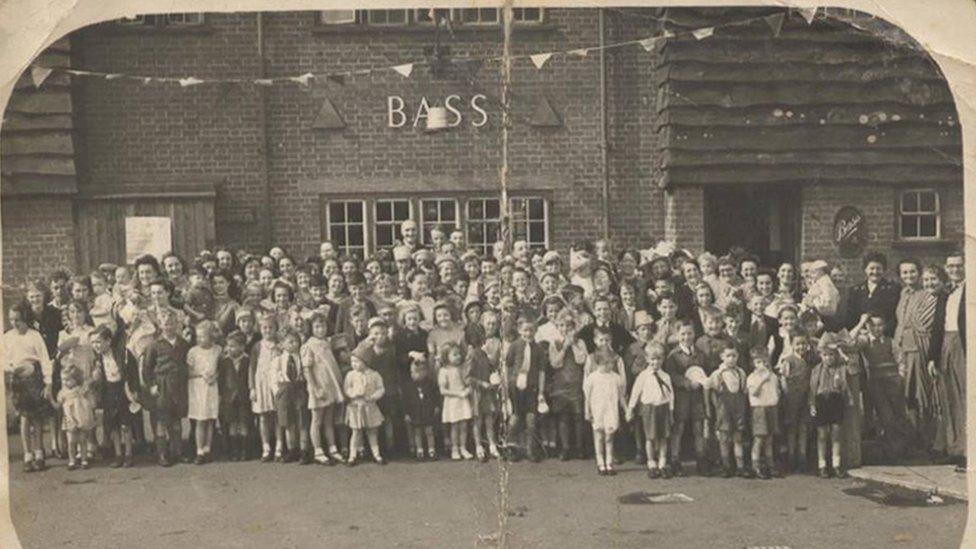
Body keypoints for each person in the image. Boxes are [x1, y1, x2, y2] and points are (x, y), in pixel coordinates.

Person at [2, 303, 55, 472]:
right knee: (24, 417)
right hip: (18, 378)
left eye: (18, 320)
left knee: (37, 417)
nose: (14, 323)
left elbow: (44, 359)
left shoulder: (35, 336)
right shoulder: (7, 337)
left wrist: (48, 382)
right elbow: (3, 359)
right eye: (11, 320)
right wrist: (12, 367)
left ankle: (39, 453)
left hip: (35, 378)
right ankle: (28, 454)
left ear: (26, 319)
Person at [142, 308, 191, 467]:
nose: (169, 326)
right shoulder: (154, 345)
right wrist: (152, 385)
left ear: (177, 324)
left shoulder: (183, 344)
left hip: (178, 386)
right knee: (161, 421)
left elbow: (187, 364)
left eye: (172, 323)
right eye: (165, 323)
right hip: (162, 386)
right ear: (160, 325)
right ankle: (162, 454)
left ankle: (177, 452)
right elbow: (147, 369)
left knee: (176, 420)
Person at [91, 325, 139, 468]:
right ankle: (118, 454)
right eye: (93, 342)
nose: (96, 345)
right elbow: (98, 380)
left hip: (123, 390)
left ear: (108, 341)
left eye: (98, 342)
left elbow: (134, 372)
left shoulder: (122, 354)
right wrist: (96, 377)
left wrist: (134, 390)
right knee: (114, 425)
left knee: (126, 425)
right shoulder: (98, 359)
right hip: (109, 393)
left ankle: (128, 454)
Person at [664, 321, 708, 475]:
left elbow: (704, 372)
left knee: (698, 427)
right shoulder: (673, 355)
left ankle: (701, 460)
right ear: (677, 336)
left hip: (697, 397)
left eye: (689, 333)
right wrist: (687, 383)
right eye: (683, 334)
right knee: (679, 427)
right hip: (681, 396)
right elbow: (672, 375)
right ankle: (675, 460)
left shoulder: (701, 354)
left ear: (694, 334)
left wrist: (702, 382)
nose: (686, 337)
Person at [302, 312, 345, 465]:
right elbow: (307, 370)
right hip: (318, 388)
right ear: (311, 328)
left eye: (323, 326)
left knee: (329, 420)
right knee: (317, 420)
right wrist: (315, 388)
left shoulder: (327, 343)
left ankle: (333, 449)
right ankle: (318, 450)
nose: (321, 329)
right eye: (317, 327)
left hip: (330, 386)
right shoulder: (308, 346)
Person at [626, 342, 674, 478]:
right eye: (652, 359)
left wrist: (671, 411)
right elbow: (635, 393)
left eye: (658, 359)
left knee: (664, 437)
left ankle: (662, 463)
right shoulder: (643, 376)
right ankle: (651, 462)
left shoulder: (665, 376)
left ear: (663, 359)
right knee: (650, 437)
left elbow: (671, 396)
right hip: (649, 409)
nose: (655, 362)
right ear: (647, 359)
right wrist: (630, 409)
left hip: (663, 408)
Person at [936, 252, 966, 471]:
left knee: (966, 399)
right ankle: (955, 448)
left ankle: (969, 451)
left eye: (959, 266)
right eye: (951, 266)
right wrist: (932, 357)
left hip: (963, 345)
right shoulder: (945, 291)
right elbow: (938, 326)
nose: (955, 269)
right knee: (950, 398)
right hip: (945, 343)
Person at [503, 315, 547, 462]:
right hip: (516, 386)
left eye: (531, 330)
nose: (528, 333)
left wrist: (541, 392)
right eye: (525, 330)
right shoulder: (515, 346)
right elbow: (507, 365)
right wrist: (508, 384)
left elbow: (541, 371)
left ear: (535, 331)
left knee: (531, 418)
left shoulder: (538, 349)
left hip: (532, 387)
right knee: (515, 417)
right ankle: (511, 447)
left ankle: (530, 448)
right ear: (520, 331)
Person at [809, 333, 853, 478]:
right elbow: (812, 389)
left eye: (832, 355)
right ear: (821, 355)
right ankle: (822, 465)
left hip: (836, 401)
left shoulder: (841, 368)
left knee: (836, 434)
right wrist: (812, 404)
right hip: (821, 401)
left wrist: (840, 351)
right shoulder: (817, 369)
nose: (829, 358)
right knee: (822, 435)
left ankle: (836, 464)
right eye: (825, 355)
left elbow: (852, 366)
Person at [547, 309, 588, 461]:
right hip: (561, 384)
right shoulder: (555, 343)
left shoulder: (580, 342)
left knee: (578, 416)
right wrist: (564, 347)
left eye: (569, 326)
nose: (565, 329)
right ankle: (565, 448)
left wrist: (573, 344)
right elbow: (555, 363)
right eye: (562, 326)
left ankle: (579, 447)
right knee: (563, 416)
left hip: (576, 383)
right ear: (558, 327)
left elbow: (581, 360)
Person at [706, 344, 749, 478]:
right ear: (722, 357)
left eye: (734, 356)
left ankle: (740, 467)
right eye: (728, 356)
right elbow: (707, 388)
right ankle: (726, 466)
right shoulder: (717, 374)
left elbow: (745, 391)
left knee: (738, 438)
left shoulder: (741, 373)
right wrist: (710, 406)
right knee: (724, 439)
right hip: (723, 410)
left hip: (738, 410)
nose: (731, 359)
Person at [583, 345, 626, 476]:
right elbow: (587, 397)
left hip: (610, 411)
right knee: (599, 437)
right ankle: (600, 463)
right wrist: (587, 411)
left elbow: (621, 396)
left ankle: (609, 463)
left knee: (609, 438)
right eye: (606, 363)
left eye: (611, 363)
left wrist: (626, 409)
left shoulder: (616, 378)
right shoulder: (592, 378)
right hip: (597, 410)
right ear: (598, 363)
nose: (609, 366)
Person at [777, 331, 814, 472]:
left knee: (804, 428)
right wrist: (786, 396)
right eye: (798, 344)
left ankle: (802, 458)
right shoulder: (788, 360)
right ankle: (791, 459)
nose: (801, 347)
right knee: (792, 428)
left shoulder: (811, 358)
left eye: (804, 343)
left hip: (805, 397)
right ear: (792, 345)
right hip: (791, 399)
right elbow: (784, 380)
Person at [186, 320, 221, 464]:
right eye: (198, 336)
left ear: (211, 336)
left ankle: (208, 449)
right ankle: (199, 451)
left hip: (212, 386)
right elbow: (188, 371)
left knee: (210, 420)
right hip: (198, 387)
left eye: (203, 336)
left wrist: (214, 376)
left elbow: (220, 368)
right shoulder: (193, 351)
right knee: (200, 420)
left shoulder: (217, 349)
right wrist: (202, 374)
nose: (200, 339)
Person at [344, 347, 386, 466]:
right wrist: (353, 394)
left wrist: (373, 396)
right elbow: (347, 388)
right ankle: (352, 455)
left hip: (369, 406)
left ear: (365, 361)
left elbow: (381, 388)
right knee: (356, 432)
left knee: (372, 431)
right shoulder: (351, 375)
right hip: (356, 406)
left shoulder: (374, 375)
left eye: (357, 361)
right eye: (352, 362)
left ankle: (376, 454)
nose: (354, 364)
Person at [274, 329, 310, 464]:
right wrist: (278, 392)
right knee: (289, 423)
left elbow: (306, 372)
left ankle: (304, 450)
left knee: (302, 420)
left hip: (300, 389)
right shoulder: (278, 360)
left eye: (296, 341)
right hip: (285, 390)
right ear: (282, 344)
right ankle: (292, 449)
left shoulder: (301, 357)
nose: (293, 344)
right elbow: (274, 377)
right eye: (290, 342)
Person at [249, 314, 280, 462]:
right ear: (260, 329)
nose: (268, 330)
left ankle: (279, 446)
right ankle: (266, 447)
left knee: (277, 415)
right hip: (261, 383)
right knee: (263, 416)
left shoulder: (279, 345)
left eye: (271, 327)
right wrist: (252, 388)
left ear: (276, 329)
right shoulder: (257, 346)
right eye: (264, 328)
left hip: (275, 383)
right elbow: (252, 368)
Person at [747, 349, 782, 479]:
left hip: (771, 407)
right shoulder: (752, 377)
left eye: (765, 362)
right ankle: (755, 466)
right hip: (759, 409)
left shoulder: (773, 376)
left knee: (769, 438)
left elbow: (777, 390)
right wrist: (762, 381)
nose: (762, 364)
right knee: (759, 438)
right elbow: (754, 393)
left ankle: (770, 465)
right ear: (754, 363)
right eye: (758, 362)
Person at [847, 252, 900, 337]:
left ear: (884, 270)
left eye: (878, 268)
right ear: (865, 269)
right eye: (871, 268)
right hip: (860, 336)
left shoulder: (893, 289)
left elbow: (894, 316)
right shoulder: (855, 290)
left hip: (884, 337)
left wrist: (882, 332)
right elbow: (850, 316)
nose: (875, 272)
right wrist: (860, 331)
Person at [218, 330, 251, 461]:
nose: (229, 348)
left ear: (242, 346)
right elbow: (221, 380)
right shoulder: (225, 361)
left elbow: (250, 378)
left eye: (233, 346)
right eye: (228, 345)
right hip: (229, 397)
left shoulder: (247, 360)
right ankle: (234, 450)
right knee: (232, 423)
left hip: (243, 396)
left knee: (243, 423)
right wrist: (221, 395)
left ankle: (244, 450)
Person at [438, 342, 474, 461]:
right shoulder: (444, 371)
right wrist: (458, 393)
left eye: (459, 354)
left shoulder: (462, 368)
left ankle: (463, 447)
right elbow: (443, 390)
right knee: (455, 426)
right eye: (454, 354)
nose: (458, 356)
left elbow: (466, 382)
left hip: (463, 399)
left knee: (464, 425)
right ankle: (455, 448)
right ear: (446, 356)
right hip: (452, 401)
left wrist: (468, 388)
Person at [402, 353, 440, 461]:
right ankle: (419, 450)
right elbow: (405, 401)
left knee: (429, 431)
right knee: (417, 432)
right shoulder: (408, 386)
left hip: (428, 411)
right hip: (415, 412)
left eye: (422, 371)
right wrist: (407, 413)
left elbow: (435, 396)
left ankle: (431, 450)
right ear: (411, 373)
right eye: (416, 372)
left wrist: (436, 406)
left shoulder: (430, 384)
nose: (419, 374)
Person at [57, 365, 96, 471]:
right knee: (71, 441)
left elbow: (91, 401)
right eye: (63, 380)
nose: (65, 382)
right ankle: (72, 460)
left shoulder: (82, 390)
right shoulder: (63, 392)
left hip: (81, 417)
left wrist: (90, 399)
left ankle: (84, 459)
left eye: (68, 380)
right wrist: (51, 399)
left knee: (83, 440)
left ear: (77, 379)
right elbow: (58, 404)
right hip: (70, 418)